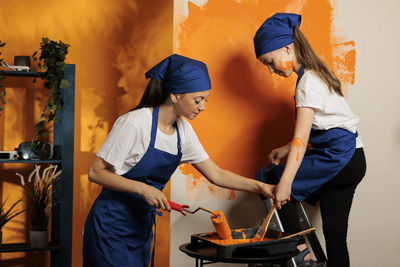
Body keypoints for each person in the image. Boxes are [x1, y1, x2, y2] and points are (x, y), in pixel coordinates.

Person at [83, 54, 275, 267]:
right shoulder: (135, 123)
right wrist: (143, 189)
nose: (203, 107)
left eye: (205, 100)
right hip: (109, 227)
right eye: (198, 99)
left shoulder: (184, 132)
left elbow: (216, 174)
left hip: (141, 228)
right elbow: (96, 172)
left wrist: (261, 187)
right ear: (174, 95)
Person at [253, 13, 366, 267]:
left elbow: (302, 139)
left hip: (340, 157)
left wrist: (285, 184)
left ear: (286, 47)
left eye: (270, 62)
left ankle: (298, 253)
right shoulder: (316, 73)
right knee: (336, 237)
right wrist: (285, 149)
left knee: (273, 179)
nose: (271, 70)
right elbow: (328, 126)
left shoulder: (307, 83)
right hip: (354, 159)